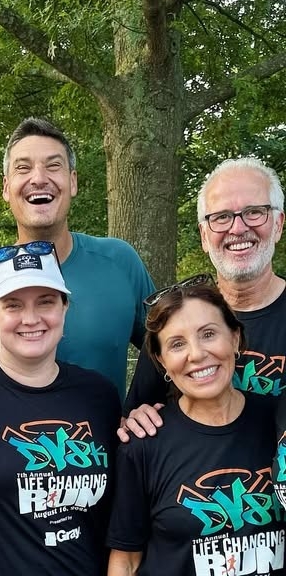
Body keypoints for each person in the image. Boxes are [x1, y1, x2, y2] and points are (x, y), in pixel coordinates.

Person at [0, 241, 122, 575]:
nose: (31, 319)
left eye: (46, 302)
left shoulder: (100, 396)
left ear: (64, 308)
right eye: (13, 305)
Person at [0, 117, 155, 399]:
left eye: (53, 166)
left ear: (73, 182)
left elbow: (168, 351)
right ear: (6, 187)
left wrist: (144, 407)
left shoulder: (121, 263)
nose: (39, 178)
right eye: (23, 168)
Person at [107, 278, 285, 575]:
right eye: (177, 344)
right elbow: (126, 561)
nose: (197, 354)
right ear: (162, 361)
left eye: (208, 334)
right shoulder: (143, 445)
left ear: (235, 338)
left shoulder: (277, 423)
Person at [122, 156, 285, 438]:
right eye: (221, 217)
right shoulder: (173, 321)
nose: (238, 228)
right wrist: (137, 419)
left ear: (278, 224)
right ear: (204, 236)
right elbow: (136, 418)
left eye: (254, 212)